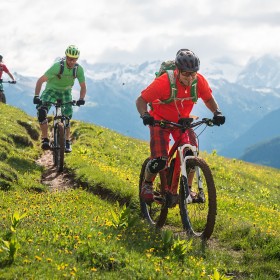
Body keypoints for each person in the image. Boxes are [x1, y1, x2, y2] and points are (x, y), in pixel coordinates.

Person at [136, 49, 225, 202]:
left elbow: (209, 99)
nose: (190, 78)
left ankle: (187, 191)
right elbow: (141, 100)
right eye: (185, 74)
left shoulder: (199, 82)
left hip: (182, 121)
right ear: (177, 71)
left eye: (193, 74)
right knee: (160, 160)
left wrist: (217, 113)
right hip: (159, 120)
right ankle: (147, 184)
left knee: (190, 153)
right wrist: (145, 115)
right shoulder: (164, 82)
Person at [33, 45, 86, 152]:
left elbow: (83, 86)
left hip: (65, 92)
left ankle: (66, 141)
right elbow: (40, 80)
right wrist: (36, 96)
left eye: (74, 59)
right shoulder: (57, 67)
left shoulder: (78, 70)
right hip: (51, 90)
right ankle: (45, 139)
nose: (72, 61)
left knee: (66, 117)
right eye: (70, 58)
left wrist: (81, 98)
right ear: (66, 56)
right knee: (42, 111)